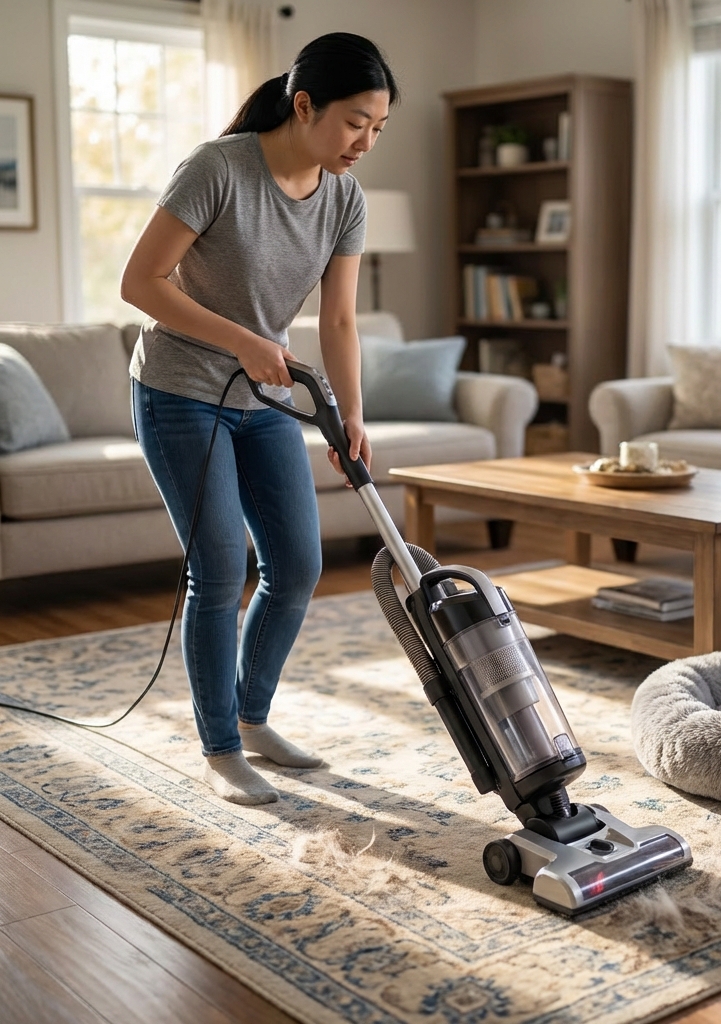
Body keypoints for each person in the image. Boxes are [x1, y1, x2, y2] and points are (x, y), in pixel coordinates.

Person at [121, 33, 398, 805]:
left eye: (378, 128)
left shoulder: (345, 199)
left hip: (265, 400)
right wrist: (244, 341)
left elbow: (339, 322)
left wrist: (348, 418)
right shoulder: (220, 169)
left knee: (297, 566)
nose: (365, 143)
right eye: (353, 123)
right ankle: (218, 750)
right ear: (303, 104)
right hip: (179, 391)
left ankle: (251, 716)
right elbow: (140, 281)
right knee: (219, 568)